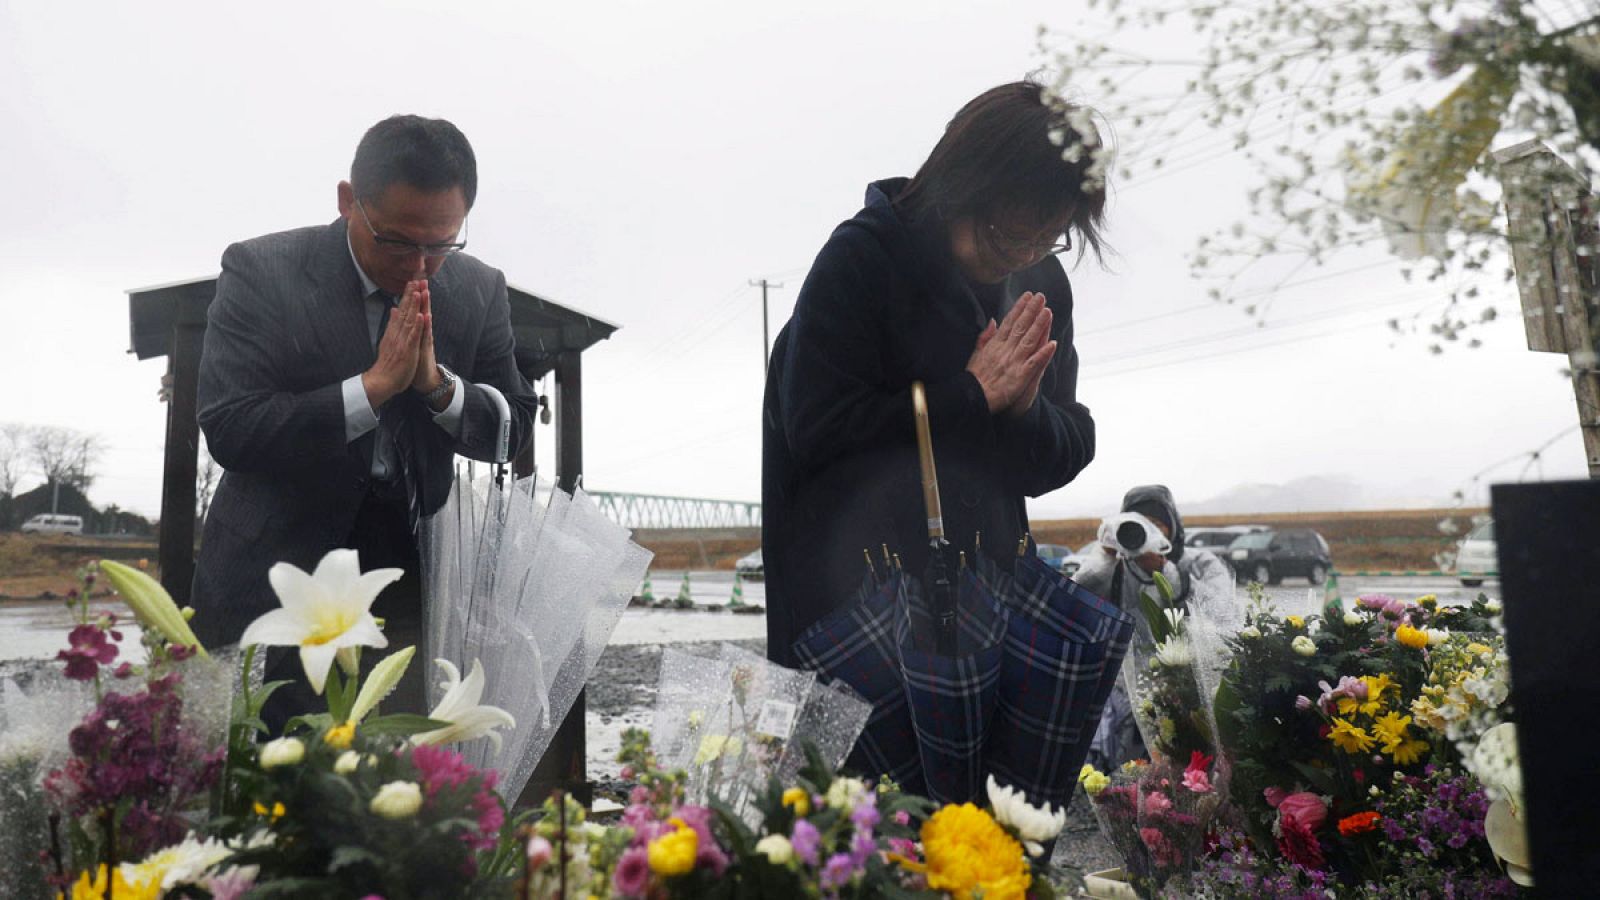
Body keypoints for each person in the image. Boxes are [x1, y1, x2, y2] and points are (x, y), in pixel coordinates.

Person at [191, 115, 539, 720]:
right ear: (348, 200)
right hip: (273, 572)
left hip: (410, 585)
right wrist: (371, 389)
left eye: (442, 244)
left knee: (394, 769)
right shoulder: (261, 269)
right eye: (398, 242)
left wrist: (438, 388)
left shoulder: (479, 289)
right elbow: (230, 426)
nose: (420, 267)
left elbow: (514, 429)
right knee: (262, 764)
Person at [761, 80, 1106, 673]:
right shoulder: (862, 260)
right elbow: (817, 433)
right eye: (1008, 234)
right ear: (958, 189)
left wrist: (1026, 411)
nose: (1025, 254)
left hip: (986, 606)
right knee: (855, 741)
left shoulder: (1041, 283)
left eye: (1049, 237)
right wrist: (970, 396)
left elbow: (1060, 454)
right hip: (855, 606)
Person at [1078, 484, 1234, 769]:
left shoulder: (1200, 563)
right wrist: (1104, 557)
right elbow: (1076, 603)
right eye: (1141, 524)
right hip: (1126, 699)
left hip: (1191, 696)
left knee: (1194, 773)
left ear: (1173, 527)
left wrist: (1166, 571)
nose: (1150, 532)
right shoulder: (1116, 569)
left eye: (1157, 525)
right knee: (1131, 779)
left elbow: (1221, 613)